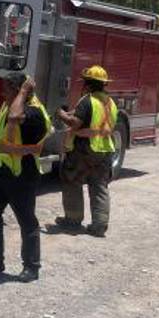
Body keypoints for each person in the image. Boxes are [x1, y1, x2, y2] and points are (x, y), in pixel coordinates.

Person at [0, 72, 51, 282]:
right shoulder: (10, 104)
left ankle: (31, 266)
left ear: (18, 90)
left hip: (23, 174)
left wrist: (23, 91)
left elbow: (15, 118)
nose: (2, 92)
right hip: (3, 170)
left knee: (26, 219)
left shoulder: (33, 112)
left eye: (7, 89)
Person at [54, 65, 118, 238]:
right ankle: (100, 225)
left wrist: (60, 114)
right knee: (99, 186)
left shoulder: (87, 100)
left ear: (88, 85)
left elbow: (75, 123)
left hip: (84, 148)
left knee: (72, 180)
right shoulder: (110, 102)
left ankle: (73, 220)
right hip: (105, 148)